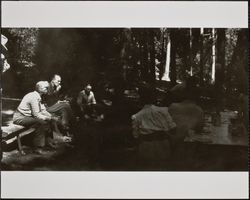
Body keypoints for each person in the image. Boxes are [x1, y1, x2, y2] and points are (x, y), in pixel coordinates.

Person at [131, 84, 177, 170]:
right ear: (154, 97)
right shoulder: (163, 111)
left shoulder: (136, 116)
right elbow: (173, 129)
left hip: (146, 147)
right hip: (163, 146)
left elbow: (136, 136)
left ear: (140, 98)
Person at [13, 81, 59, 154]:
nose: (47, 89)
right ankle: (38, 148)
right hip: (20, 117)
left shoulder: (40, 96)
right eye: (45, 87)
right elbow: (36, 115)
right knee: (40, 123)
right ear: (39, 88)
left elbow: (43, 110)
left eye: (47, 87)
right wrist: (50, 118)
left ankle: (48, 141)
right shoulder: (33, 97)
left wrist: (51, 117)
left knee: (49, 120)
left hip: (28, 116)